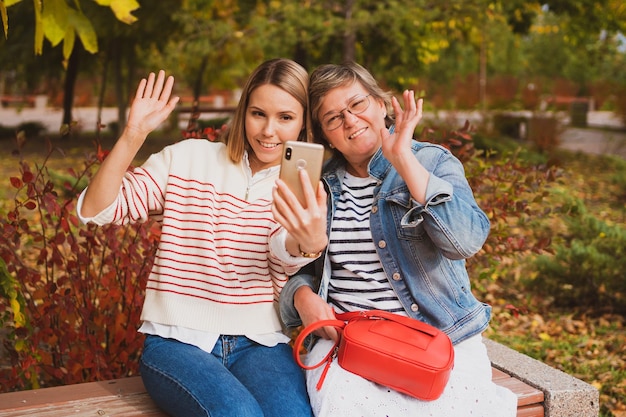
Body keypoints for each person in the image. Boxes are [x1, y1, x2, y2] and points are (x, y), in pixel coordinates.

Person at [77, 58, 327, 417]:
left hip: (260, 343)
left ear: (304, 123)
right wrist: (133, 134)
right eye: (258, 113)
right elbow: (98, 210)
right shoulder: (187, 157)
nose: (269, 131)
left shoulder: (300, 185)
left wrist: (307, 241)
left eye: (285, 118)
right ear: (243, 113)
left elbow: (281, 250)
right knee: (239, 414)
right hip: (176, 340)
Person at [272, 62, 518, 416]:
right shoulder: (320, 184)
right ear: (326, 134)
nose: (350, 120)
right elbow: (306, 268)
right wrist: (301, 298)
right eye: (333, 118)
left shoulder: (431, 161)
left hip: (437, 340)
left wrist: (403, 160)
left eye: (357, 105)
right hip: (351, 346)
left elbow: (464, 242)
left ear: (381, 104)